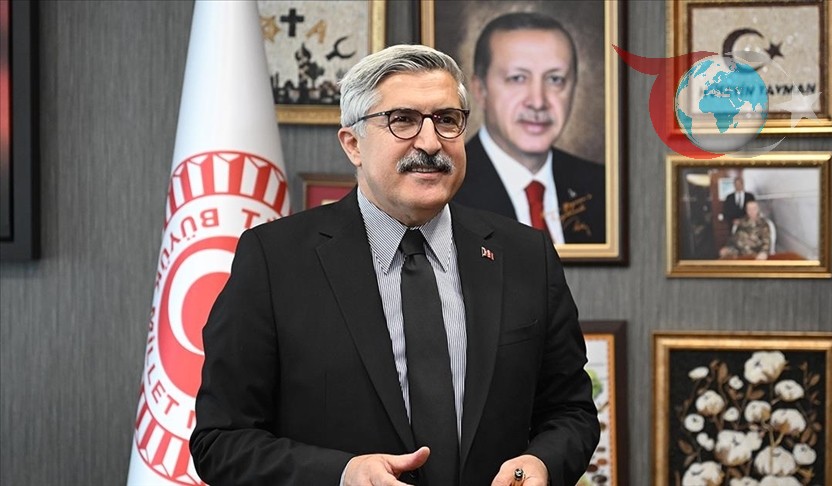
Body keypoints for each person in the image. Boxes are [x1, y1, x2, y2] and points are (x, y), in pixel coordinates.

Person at [190, 44, 599, 486]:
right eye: (402, 120)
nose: (430, 142)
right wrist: (342, 475)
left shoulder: (525, 255)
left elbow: (570, 412)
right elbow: (222, 440)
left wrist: (539, 464)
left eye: (447, 120)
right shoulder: (275, 260)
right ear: (353, 145)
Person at [452, 12, 606, 244]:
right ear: (480, 89)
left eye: (555, 79)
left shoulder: (603, 186)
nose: (538, 101)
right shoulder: (447, 189)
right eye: (517, 78)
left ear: (574, 87)